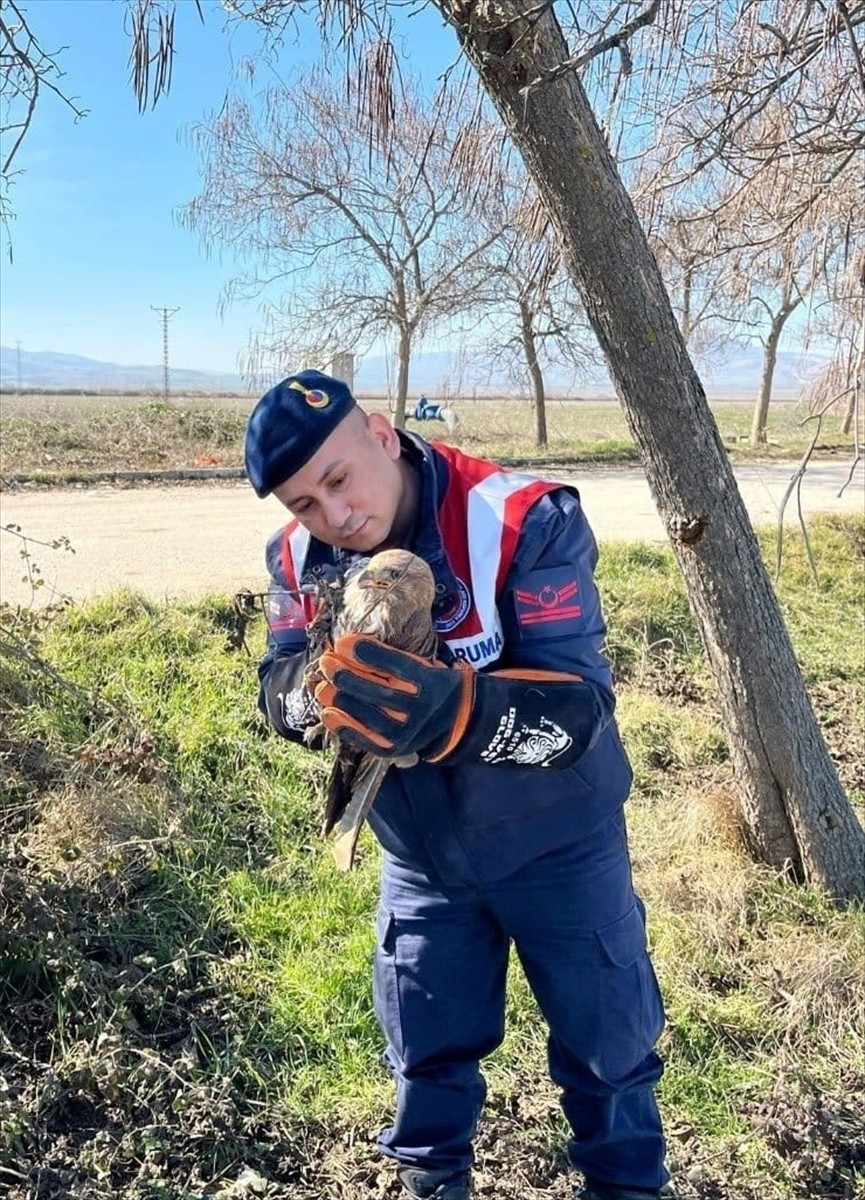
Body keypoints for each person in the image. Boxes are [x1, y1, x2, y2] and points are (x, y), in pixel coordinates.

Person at [244, 369, 674, 1200]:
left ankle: (627, 1189)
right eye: (303, 502)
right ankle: (429, 1187)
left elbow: (580, 707)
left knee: (609, 1056)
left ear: (378, 432)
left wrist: (457, 714)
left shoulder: (519, 516)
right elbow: (276, 684)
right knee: (425, 1059)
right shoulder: (295, 557)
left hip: (559, 842)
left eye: (337, 479)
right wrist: (314, 697)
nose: (333, 517)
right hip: (423, 855)